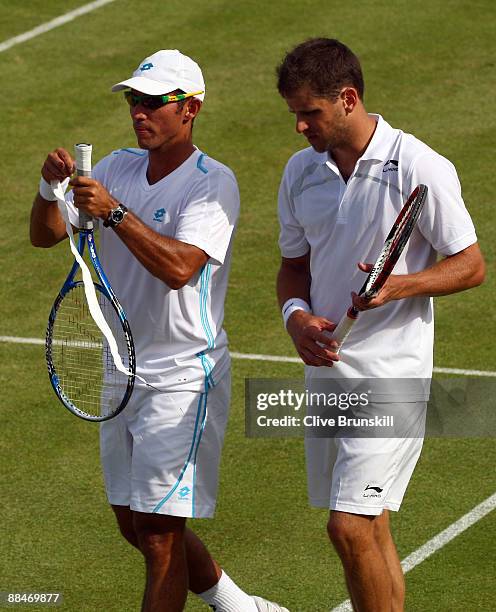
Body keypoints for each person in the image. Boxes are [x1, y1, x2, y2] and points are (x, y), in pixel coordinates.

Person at [31, 49, 287, 612]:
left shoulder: (213, 184)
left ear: (190, 108)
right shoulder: (117, 166)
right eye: (133, 100)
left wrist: (117, 213)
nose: (138, 112)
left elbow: (179, 268)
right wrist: (50, 189)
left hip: (182, 378)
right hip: (120, 372)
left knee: (160, 535)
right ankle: (240, 606)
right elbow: (46, 235)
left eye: (152, 102)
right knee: (133, 523)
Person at [275, 38, 485, 612]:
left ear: (348, 98)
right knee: (368, 531)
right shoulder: (300, 173)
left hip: (392, 376)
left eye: (309, 113)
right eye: (294, 113)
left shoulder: (419, 166)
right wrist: (296, 320)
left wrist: (399, 286)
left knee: (348, 527)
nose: (299, 127)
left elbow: (470, 265)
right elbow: (293, 269)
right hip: (327, 372)